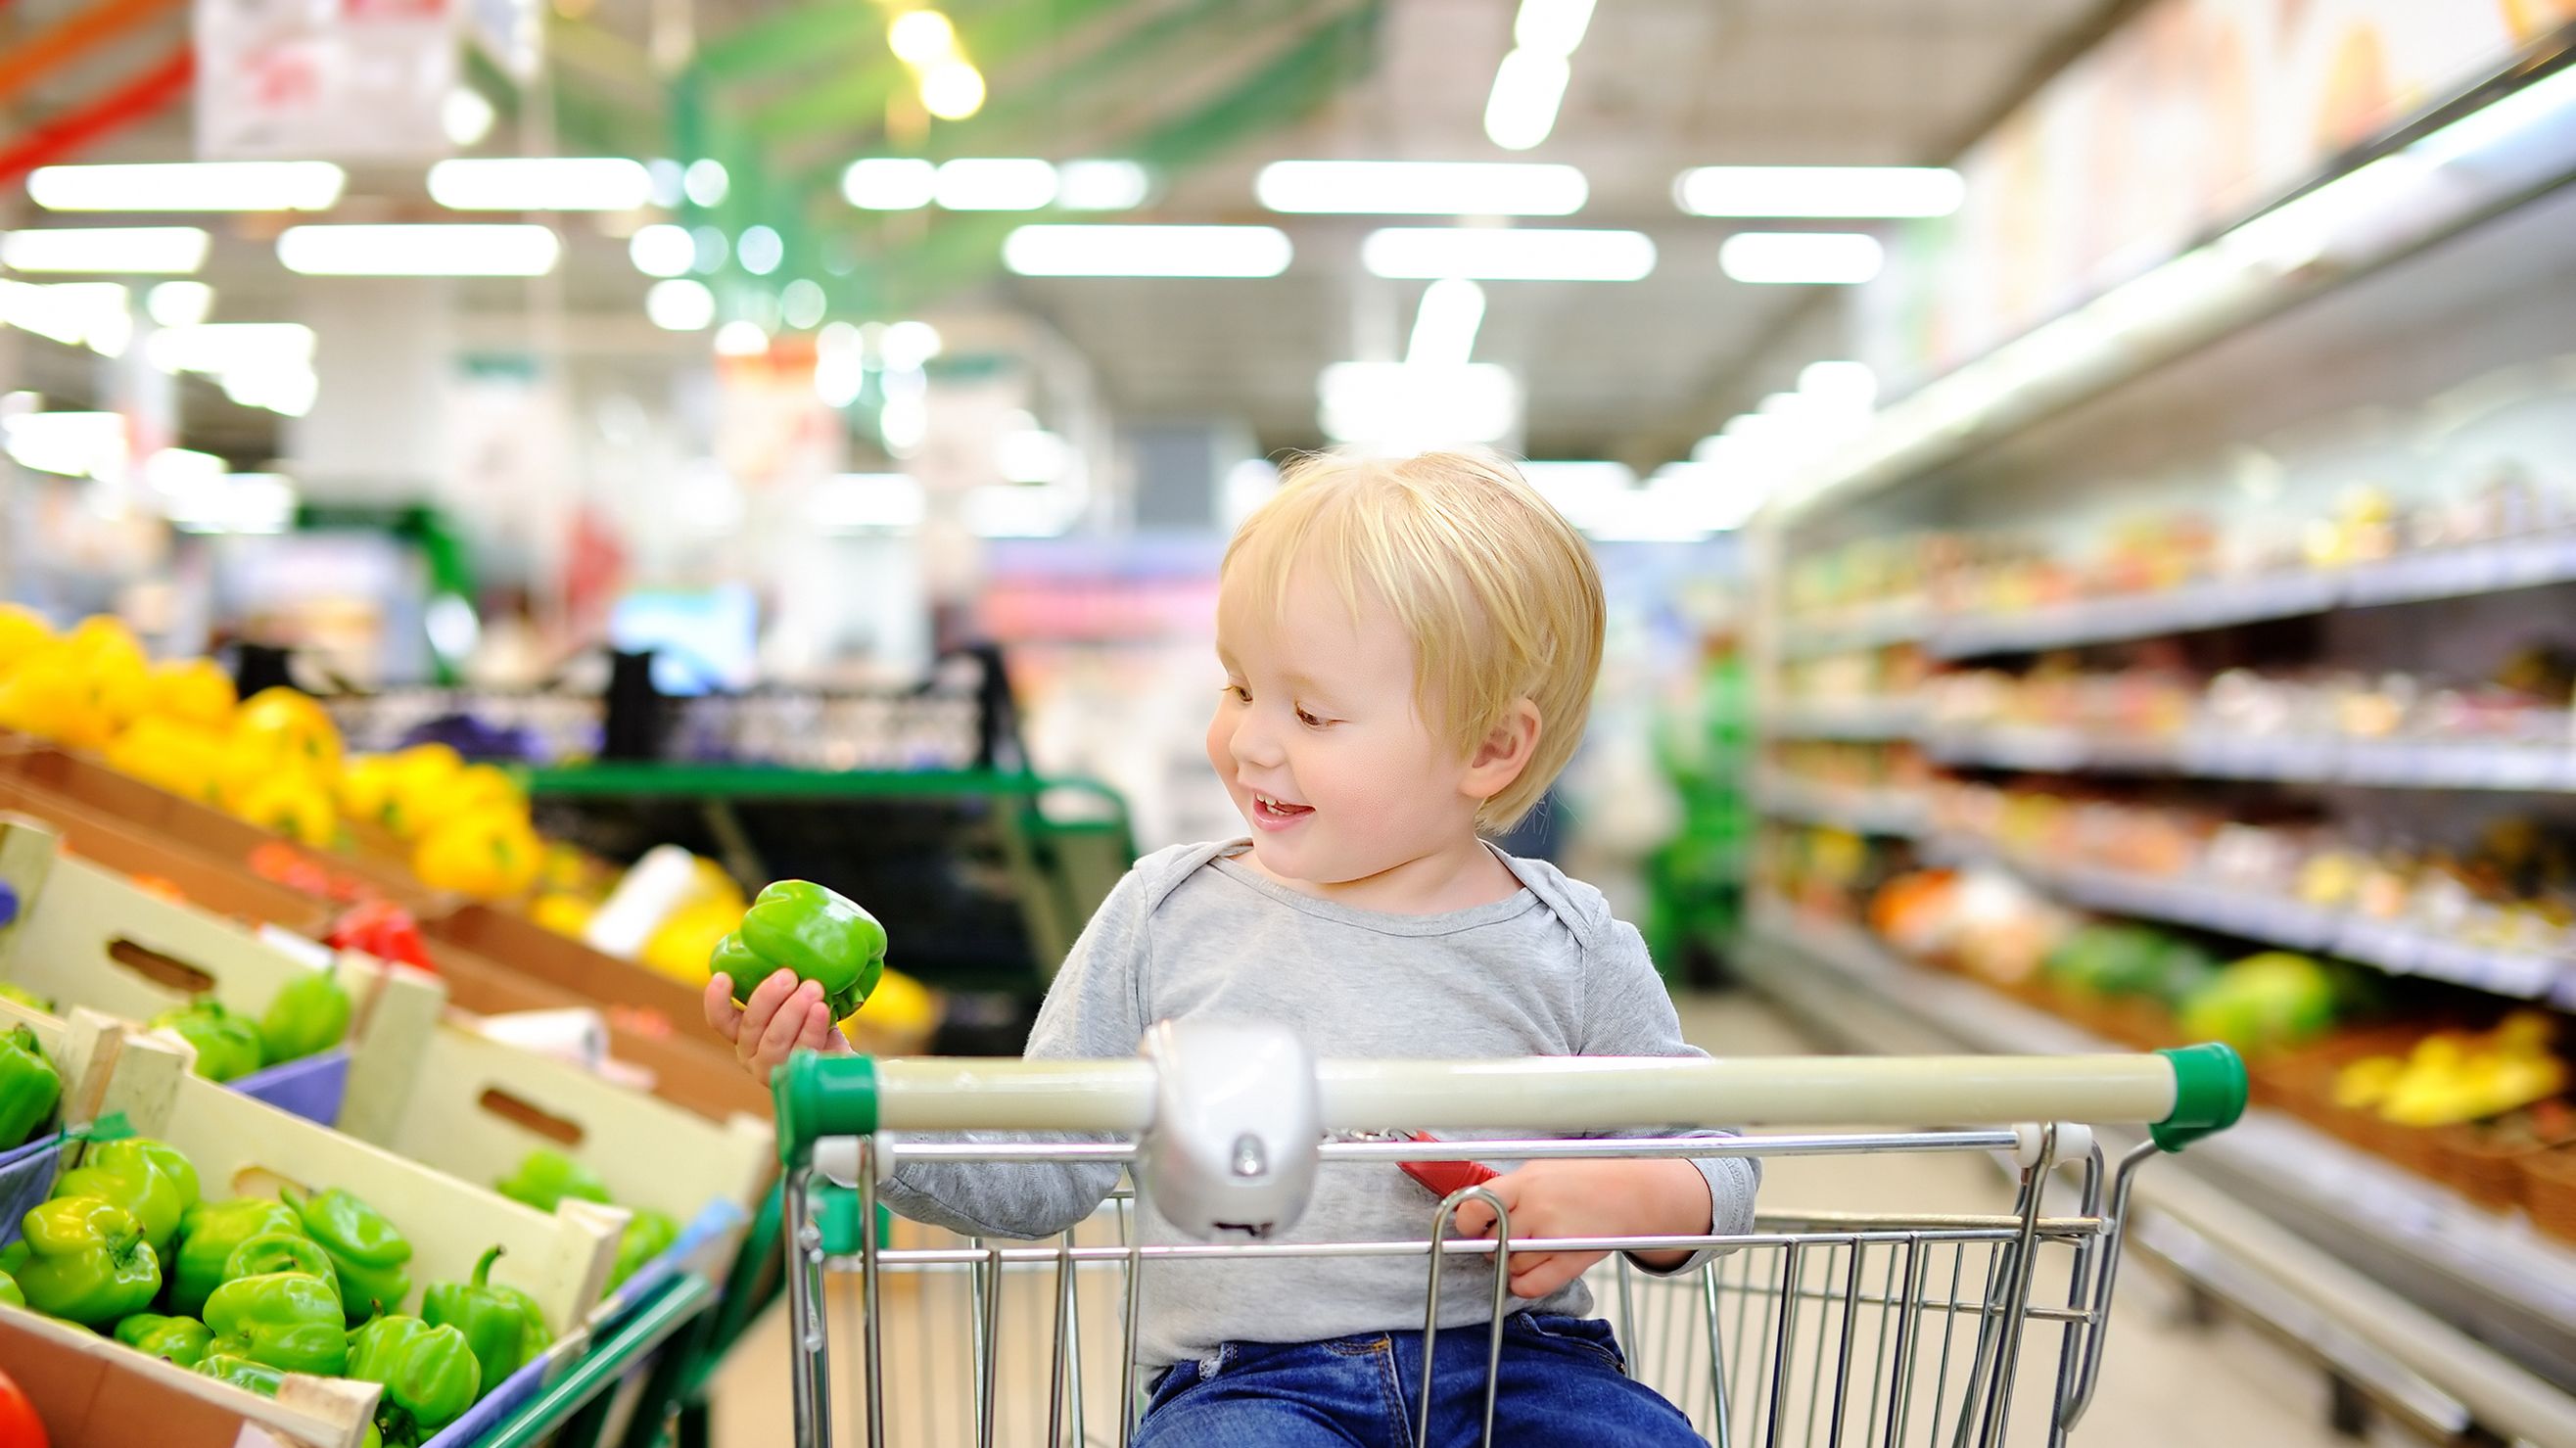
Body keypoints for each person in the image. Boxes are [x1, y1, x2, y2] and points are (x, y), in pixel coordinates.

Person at [708, 448, 1758, 1445]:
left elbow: (1723, 1160)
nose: (1251, 740)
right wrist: (848, 1099)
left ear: (1489, 748)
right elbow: (1033, 1173)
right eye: (1240, 687)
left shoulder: (1569, 946)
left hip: (1526, 1369)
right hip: (1253, 1382)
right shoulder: (1167, 916)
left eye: (1310, 709)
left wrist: (1621, 1195)